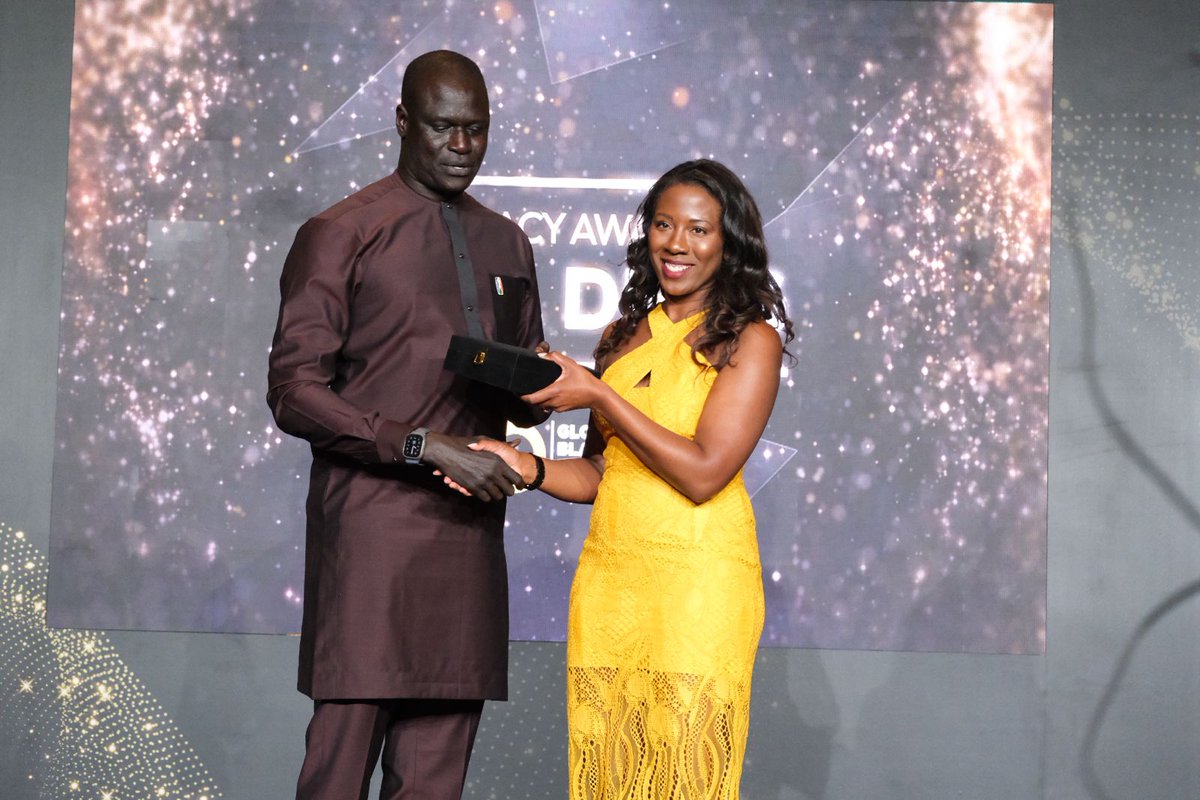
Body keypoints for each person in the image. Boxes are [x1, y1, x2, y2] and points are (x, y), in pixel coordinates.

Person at [459, 159, 793, 799]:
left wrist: (600, 397)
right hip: (614, 584)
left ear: (730, 243)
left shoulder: (750, 342)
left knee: (684, 779)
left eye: (699, 230)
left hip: (699, 587)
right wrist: (525, 467)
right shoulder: (621, 335)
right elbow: (601, 473)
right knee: (608, 776)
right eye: (664, 225)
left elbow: (703, 472)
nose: (677, 243)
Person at [266, 50, 546, 800]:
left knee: (434, 782)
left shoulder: (508, 241)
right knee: (338, 772)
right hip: (370, 535)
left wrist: (555, 389)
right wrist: (420, 445)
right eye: (444, 128)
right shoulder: (342, 231)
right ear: (401, 122)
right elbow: (294, 391)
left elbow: (518, 386)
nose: (461, 147)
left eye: (476, 130)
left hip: (467, 537)